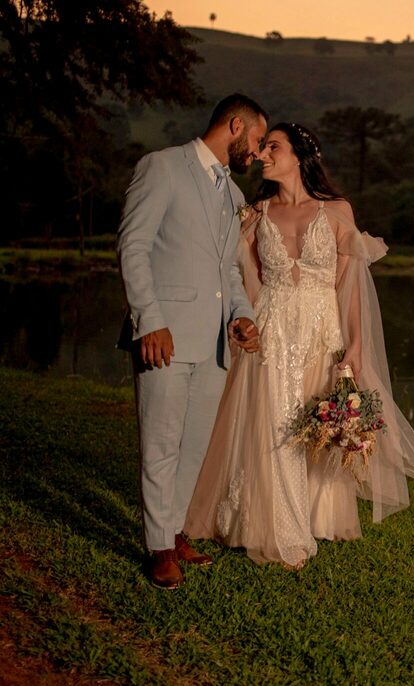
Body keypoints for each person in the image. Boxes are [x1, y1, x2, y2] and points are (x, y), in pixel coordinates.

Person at [183, 123, 414, 568]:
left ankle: (316, 513)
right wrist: (239, 322)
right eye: (262, 147)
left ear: (299, 156)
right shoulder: (255, 214)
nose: (263, 154)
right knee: (271, 422)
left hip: (322, 334)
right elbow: (240, 279)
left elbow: (351, 287)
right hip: (272, 331)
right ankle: (269, 523)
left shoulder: (337, 211)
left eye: (273, 147)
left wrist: (355, 346)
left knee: (311, 422)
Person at [117, 94, 269, 589]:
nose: (259, 152)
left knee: (193, 445)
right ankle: (158, 547)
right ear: (235, 125)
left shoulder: (233, 196)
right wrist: (149, 319)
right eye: (258, 140)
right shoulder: (161, 167)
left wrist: (243, 316)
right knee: (160, 442)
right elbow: (133, 246)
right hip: (162, 335)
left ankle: (176, 529)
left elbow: (228, 268)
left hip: (215, 343)